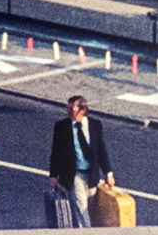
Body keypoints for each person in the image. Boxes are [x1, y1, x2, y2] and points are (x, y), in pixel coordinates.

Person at [47, 95, 114, 226]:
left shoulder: (95, 125)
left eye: (72, 109)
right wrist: (53, 176)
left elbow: (101, 150)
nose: (69, 112)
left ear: (83, 110)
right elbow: (56, 153)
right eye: (68, 108)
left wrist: (108, 173)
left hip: (92, 175)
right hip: (74, 175)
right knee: (81, 210)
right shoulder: (61, 127)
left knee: (87, 209)